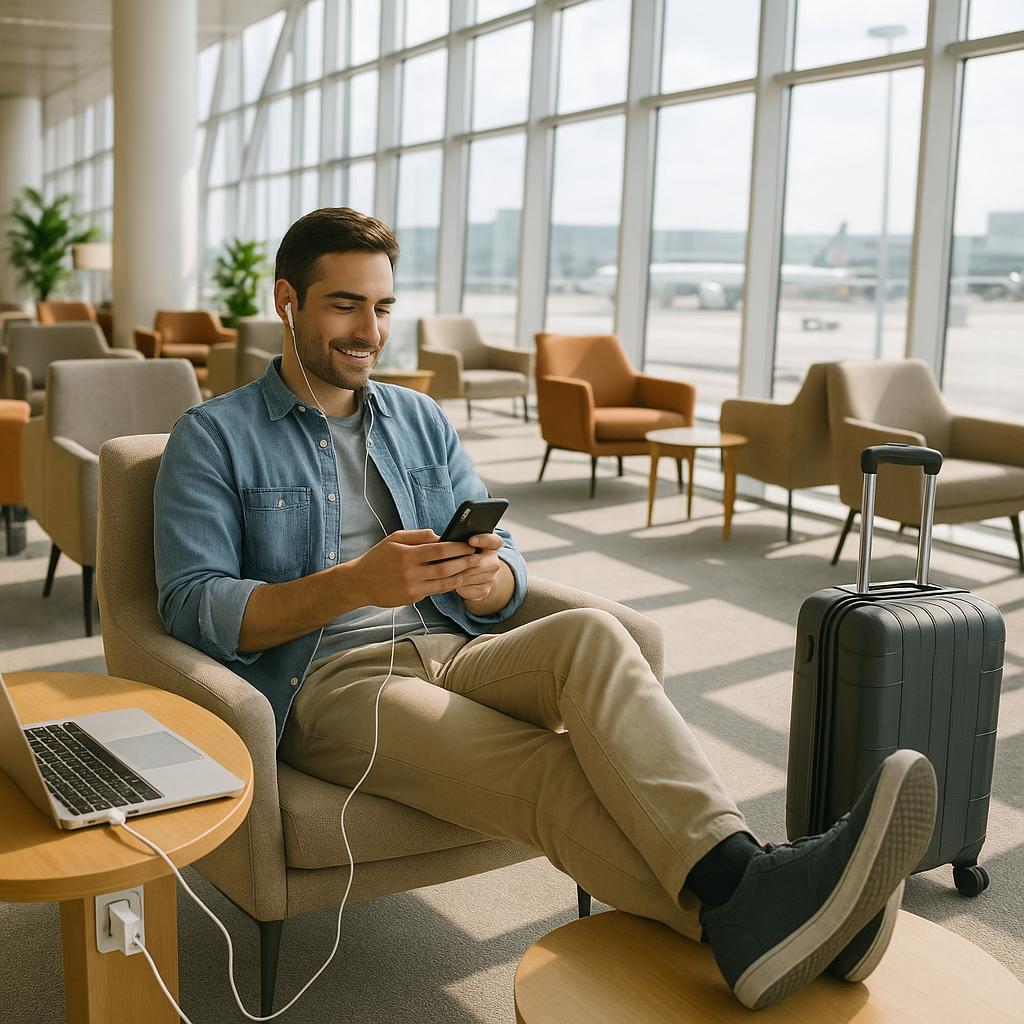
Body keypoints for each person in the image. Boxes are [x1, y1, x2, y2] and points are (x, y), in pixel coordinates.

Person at [154, 207, 937, 1011]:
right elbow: (192, 606)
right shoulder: (213, 437)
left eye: (384, 307)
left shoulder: (418, 418)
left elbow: (508, 559)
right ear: (287, 300)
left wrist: (494, 582)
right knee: (550, 772)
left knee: (592, 635)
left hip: (453, 645)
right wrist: (354, 584)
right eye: (345, 305)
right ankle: (767, 900)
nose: (369, 330)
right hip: (336, 685)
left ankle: (759, 902)